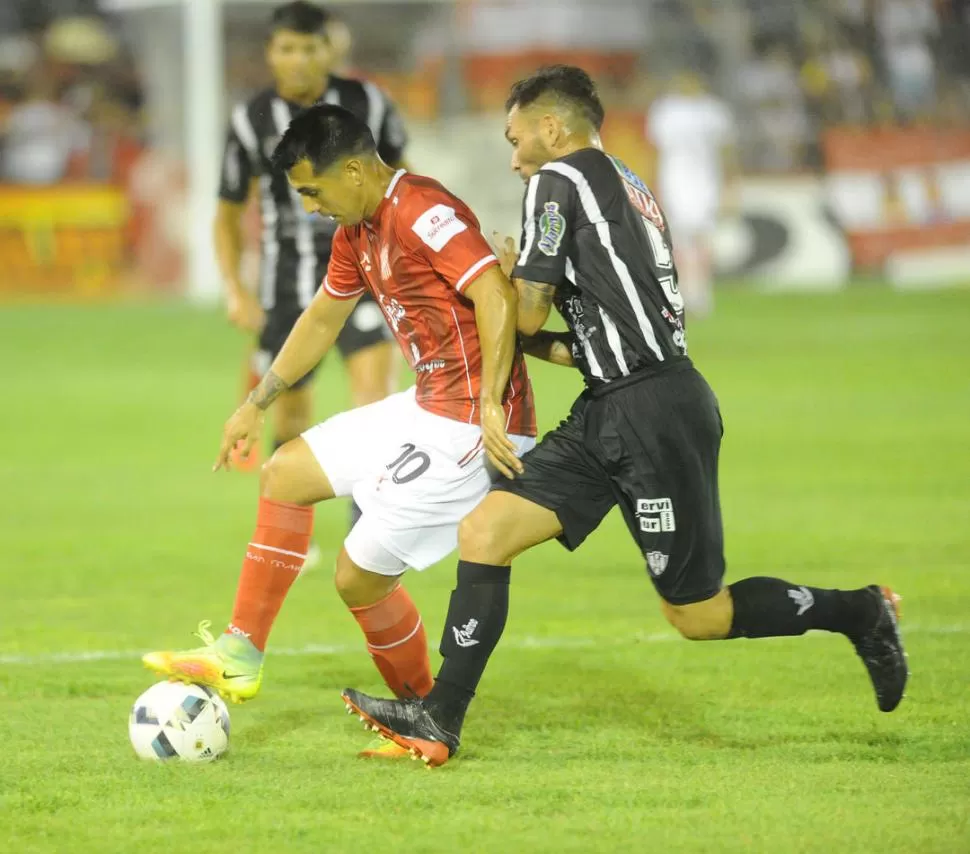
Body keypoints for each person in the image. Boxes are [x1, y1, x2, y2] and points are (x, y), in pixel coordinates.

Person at [340, 66, 909, 767]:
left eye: (517, 140)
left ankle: (861, 612)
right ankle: (438, 724)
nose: (515, 159)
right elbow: (585, 342)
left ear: (553, 128)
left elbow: (527, 310)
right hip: (617, 401)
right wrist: (516, 316)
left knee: (696, 614)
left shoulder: (561, 179)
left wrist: (497, 280)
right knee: (485, 530)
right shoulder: (628, 186)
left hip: (651, 410)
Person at [143, 106, 537, 756]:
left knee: (357, 577)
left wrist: (493, 404)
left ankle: (423, 718)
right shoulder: (357, 231)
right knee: (285, 473)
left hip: (475, 420)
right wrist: (258, 402)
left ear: (354, 170)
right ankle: (242, 655)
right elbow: (323, 319)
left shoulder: (421, 209)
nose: (310, 206)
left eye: (313, 191)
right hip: (429, 403)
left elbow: (494, 293)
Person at [216, 2, 404, 516]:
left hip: (367, 273)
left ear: (330, 48)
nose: (298, 59)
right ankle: (288, 540)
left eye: (309, 47)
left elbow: (399, 182)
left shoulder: (370, 102)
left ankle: (365, 532)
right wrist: (235, 289)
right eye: (287, 48)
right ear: (271, 53)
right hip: (287, 281)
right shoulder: (249, 119)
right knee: (290, 417)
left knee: (374, 397)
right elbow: (227, 214)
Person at [647, 72, 736, 317]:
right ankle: (684, 291)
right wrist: (654, 185)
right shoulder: (665, 110)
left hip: (706, 181)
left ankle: (702, 293)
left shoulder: (714, 111)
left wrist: (730, 185)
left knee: (703, 237)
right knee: (679, 239)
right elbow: (656, 151)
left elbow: (727, 151)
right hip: (675, 180)